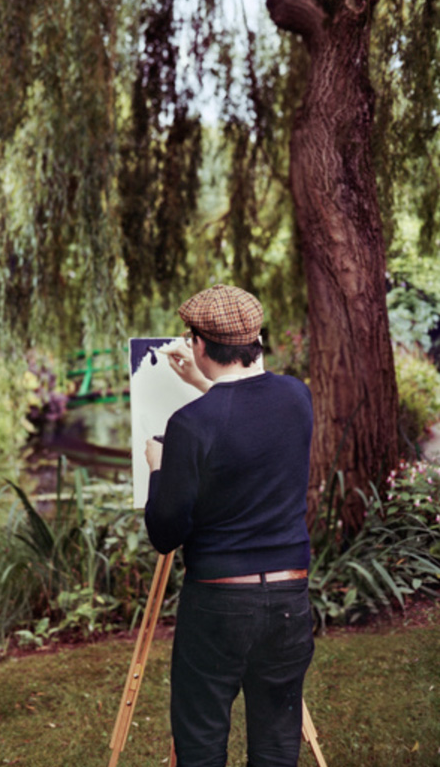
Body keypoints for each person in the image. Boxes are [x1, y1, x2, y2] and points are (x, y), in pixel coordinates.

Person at [144, 284, 314, 767]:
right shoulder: (296, 398)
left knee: (201, 744)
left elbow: (165, 532)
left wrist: (159, 466)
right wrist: (204, 386)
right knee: (278, 743)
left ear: (198, 344)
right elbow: (249, 421)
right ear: (257, 335)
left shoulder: (191, 425)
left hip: (218, 604)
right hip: (288, 599)